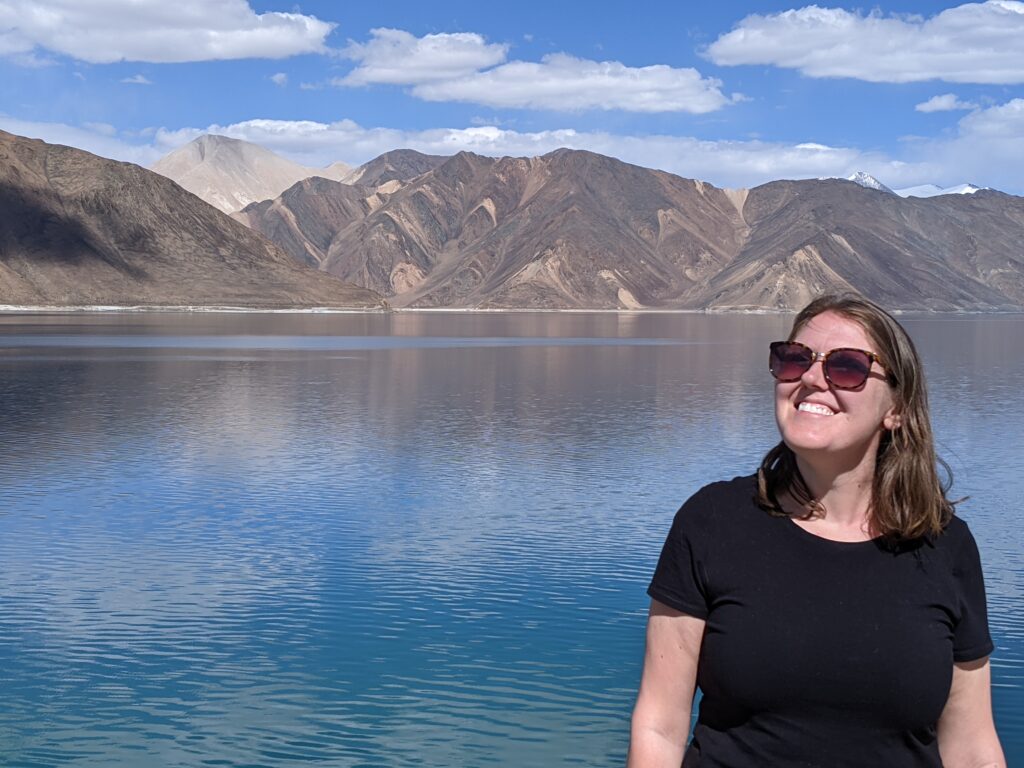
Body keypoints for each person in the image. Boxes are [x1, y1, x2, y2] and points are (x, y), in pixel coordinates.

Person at [627, 293, 1005, 767]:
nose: (809, 378)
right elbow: (660, 725)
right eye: (794, 359)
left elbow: (971, 747)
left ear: (897, 409)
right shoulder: (711, 523)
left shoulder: (945, 545)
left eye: (846, 367)